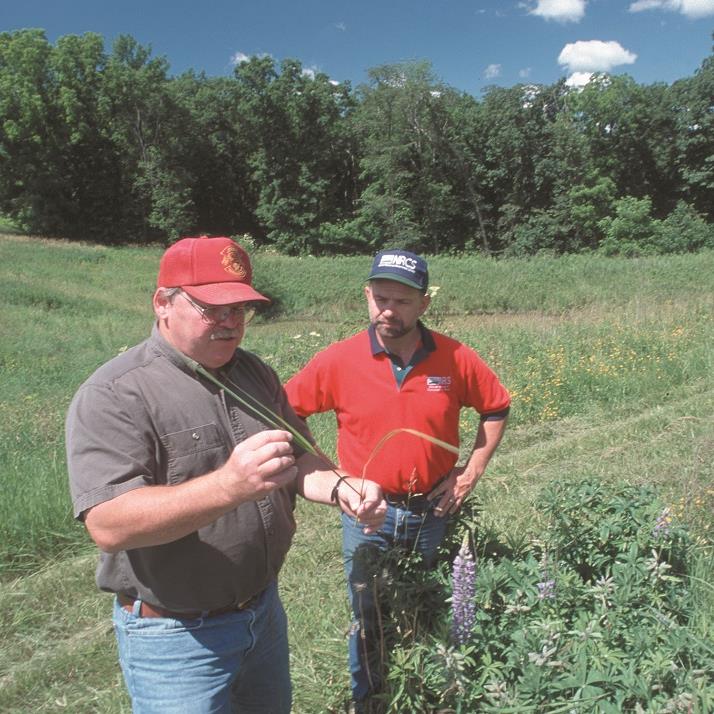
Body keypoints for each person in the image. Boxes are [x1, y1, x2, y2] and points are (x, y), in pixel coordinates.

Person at [65, 235, 387, 714]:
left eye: (239, 309)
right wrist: (229, 485)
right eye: (212, 308)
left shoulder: (254, 373)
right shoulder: (115, 394)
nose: (229, 323)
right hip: (176, 639)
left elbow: (299, 460)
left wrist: (343, 487)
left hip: (262, 616)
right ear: (162, 304)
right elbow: (109, 525)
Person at [285, 248, 510, 708]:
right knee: (368, 614)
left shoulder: (455, 357)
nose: (388, 309)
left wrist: (471, 472)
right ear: (367, 296)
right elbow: (288, 412)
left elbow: (496, 406)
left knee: (425, 601)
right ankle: (368, 698)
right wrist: (332, 476)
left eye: (402, 301)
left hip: (432, 509)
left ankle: (426, 687)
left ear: (424, 304)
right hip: (368, 515)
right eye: (380, 297)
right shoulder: (339, 359)